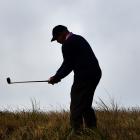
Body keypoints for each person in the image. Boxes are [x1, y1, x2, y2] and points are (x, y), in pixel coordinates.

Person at [48, 25, 102, 138]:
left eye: (56, 38)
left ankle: (76, 132)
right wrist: (57, 76)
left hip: (84, 76)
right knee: (85, 103)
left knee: (76, 103)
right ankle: (93, 130)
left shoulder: (68, 44)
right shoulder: (78, 38)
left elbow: (68, 65)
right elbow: (68, 63)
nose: (57, 41)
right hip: (95, 73)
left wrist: (56, 77)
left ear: (62, 34)